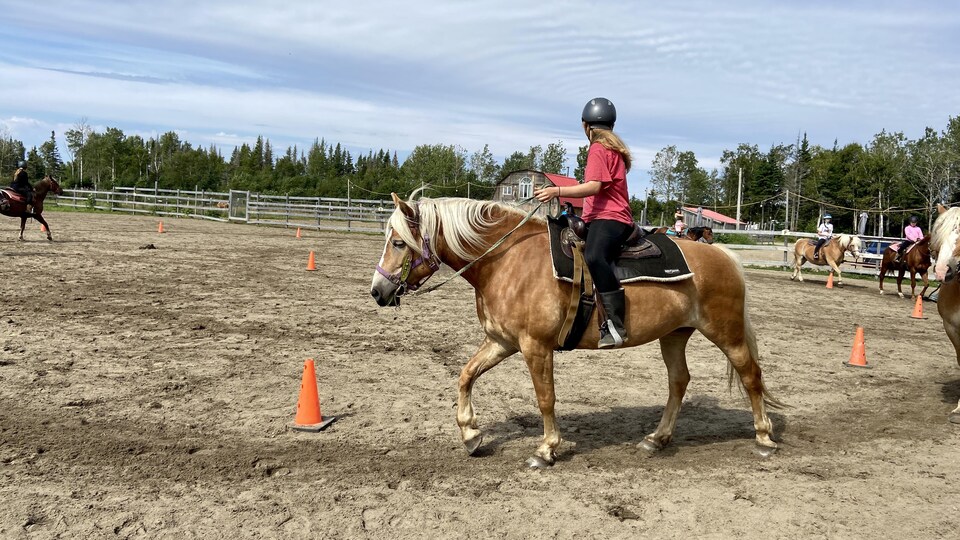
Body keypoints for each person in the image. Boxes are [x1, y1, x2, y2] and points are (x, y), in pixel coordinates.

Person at [535, 97, 633, 348]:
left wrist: (556, 191)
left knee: (595, 256)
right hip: (598, 217)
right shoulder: (613, 150)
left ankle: (614, 324)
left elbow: (594, 187)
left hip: (610, 217)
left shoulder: (599, 148)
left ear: (586, 126)